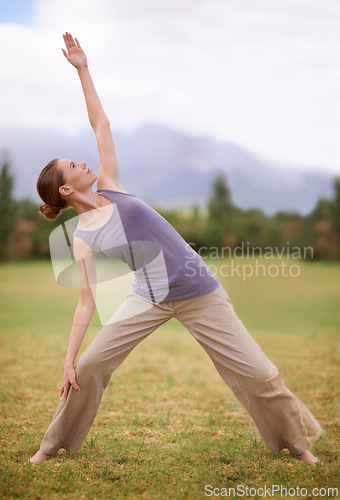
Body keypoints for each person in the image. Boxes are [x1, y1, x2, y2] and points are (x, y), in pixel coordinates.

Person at [28, 32, 325, 465]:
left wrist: (83, 70)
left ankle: (297, 445)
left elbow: (101, 125)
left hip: (200, 292)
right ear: (67, 188)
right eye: (74, 166)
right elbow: (86, 303)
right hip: (147, 300)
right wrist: (69, 359)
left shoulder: (112, 187)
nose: (83, 161)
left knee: (259, 373)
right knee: (88, 368)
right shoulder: (82, 238)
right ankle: (50, 446)